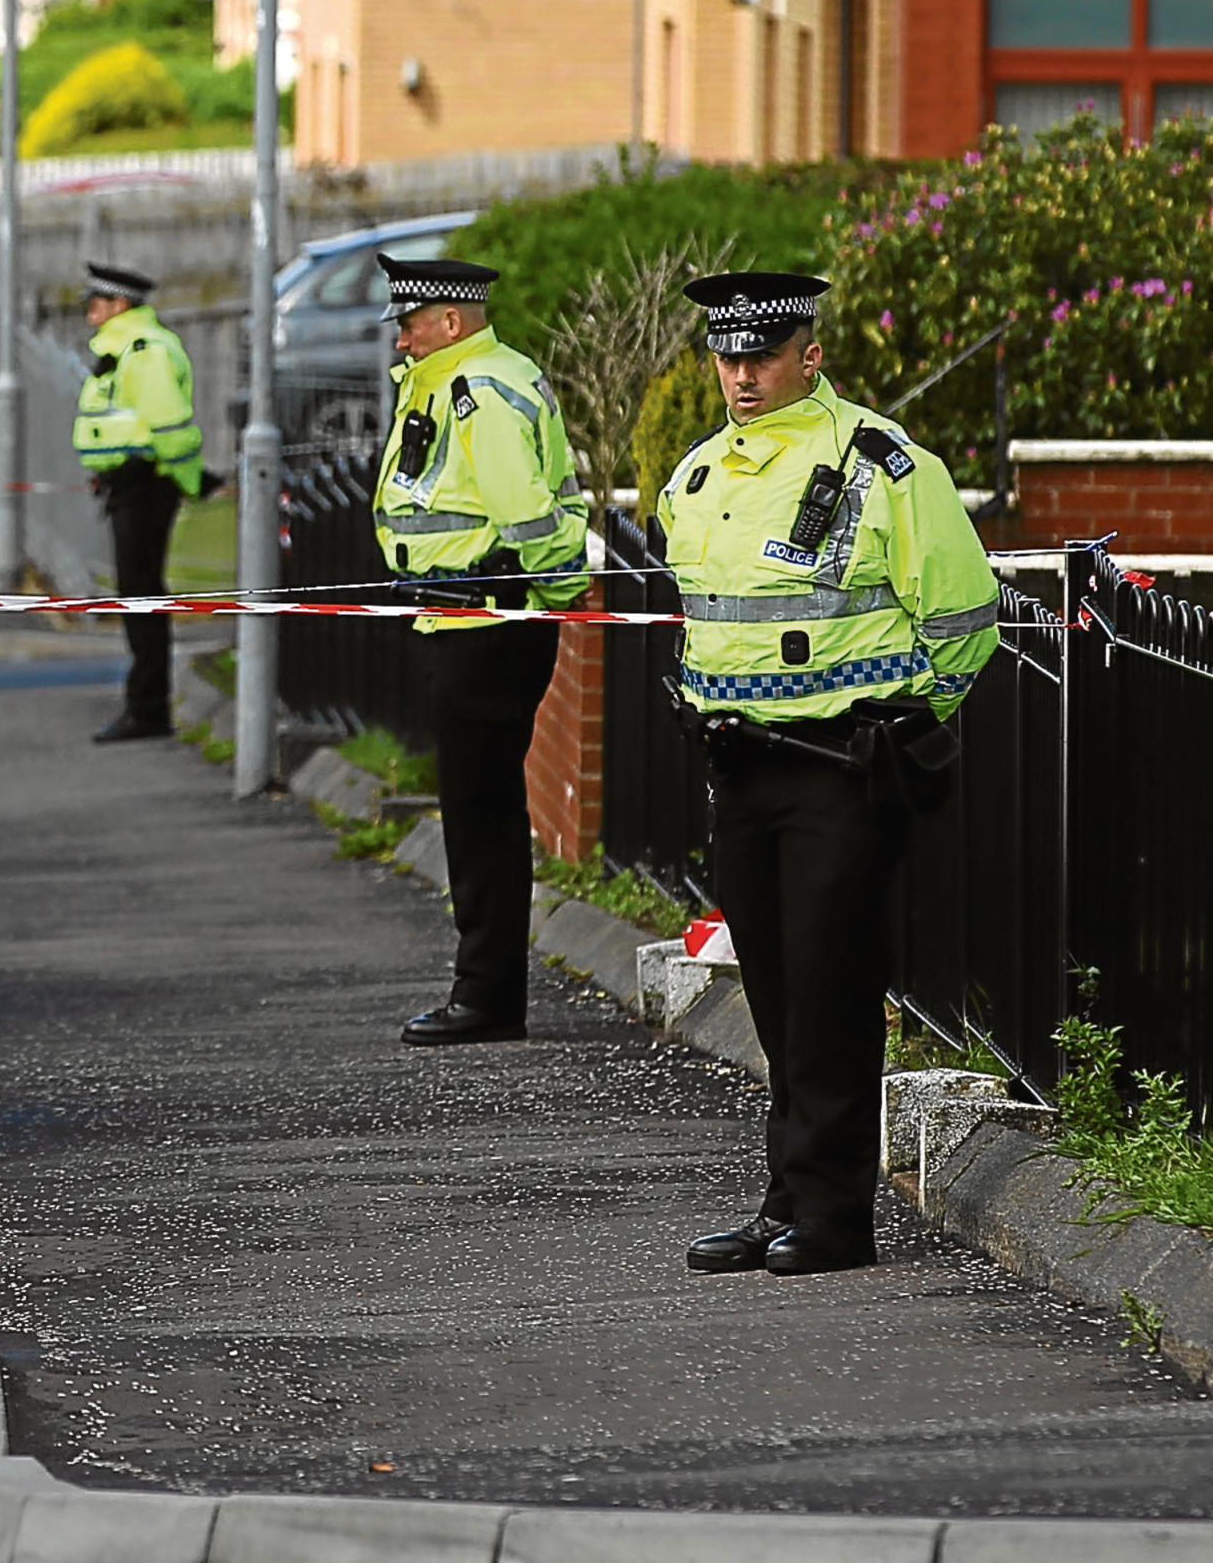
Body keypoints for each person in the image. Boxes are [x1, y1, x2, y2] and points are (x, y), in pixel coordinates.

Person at [662, 272, 999, 1277]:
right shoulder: (700, 474)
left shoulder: (883, 463)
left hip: (843, 765)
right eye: (727, 355)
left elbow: (964, 618)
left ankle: (838, 1216)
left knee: (832, 987)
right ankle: (789, 1197)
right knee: (772, 986)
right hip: (744, 765)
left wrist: (904, 723)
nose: (742, 373)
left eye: (763, 353)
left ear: (811, 353)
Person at [369, 254, 591, 1047]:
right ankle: (485, 988)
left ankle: (488, 996)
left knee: (481, 816)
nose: (401, 341)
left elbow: (526, 515)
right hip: (461, 625)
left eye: (410, 325)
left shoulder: (480, 391)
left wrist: (557, 589)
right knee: (475, 811)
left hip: (487, 628)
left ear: (452, 322)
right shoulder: (453, 382)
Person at [72, 261, 203, 742]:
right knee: (137, 595)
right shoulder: (126, 347)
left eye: (96, 306)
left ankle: (148, 708)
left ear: (120, 305)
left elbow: (169, 426)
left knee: (142, 597)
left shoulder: (142, 350)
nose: (90, 317)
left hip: (145, 483)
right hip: (131, 482)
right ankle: (146, 705)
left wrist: (185, 478)